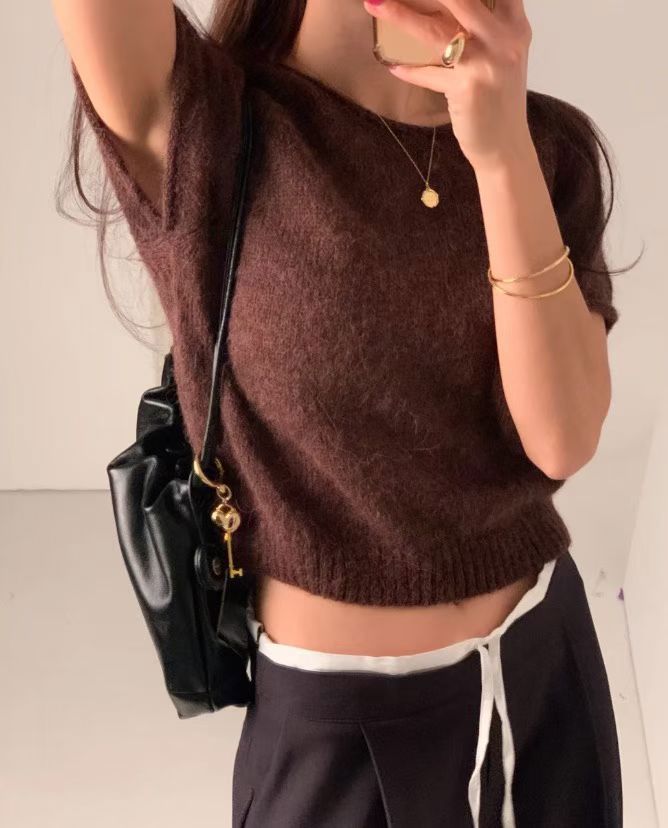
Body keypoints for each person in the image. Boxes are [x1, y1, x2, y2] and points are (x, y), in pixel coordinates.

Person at [53, 1, 628, 825]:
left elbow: (562, 439)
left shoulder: (546, 146)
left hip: (547, 681)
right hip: (337, 734)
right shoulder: (208, 124)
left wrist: (501, 152)